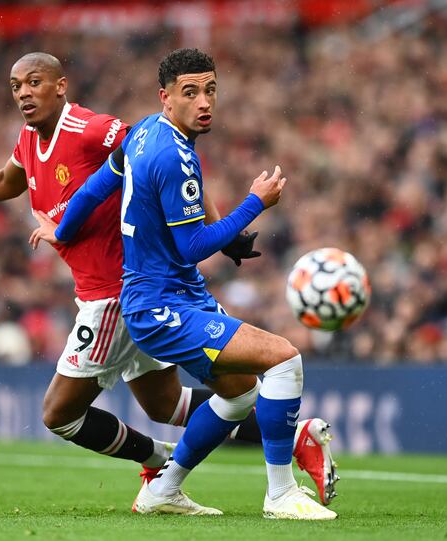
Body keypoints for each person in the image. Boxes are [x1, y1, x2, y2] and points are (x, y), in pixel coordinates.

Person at [0, 52, 270, 486]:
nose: (24, 92)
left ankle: (159, 461)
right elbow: (9, 180)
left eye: (35, 82)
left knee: (59, 414)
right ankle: (292, 432)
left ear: (61, 86)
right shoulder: (29, 138)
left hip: (116, 295)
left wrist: (220, 229)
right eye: (16, 86)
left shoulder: (91, 130)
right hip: (128, 291)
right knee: (166, 406)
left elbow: (164, 155)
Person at [31, 48, 338, 520]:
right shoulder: (172, 155)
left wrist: (64, 229)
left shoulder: (145, 131)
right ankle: (280, 494)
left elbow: (94, 187)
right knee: (284, 360)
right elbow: (193, 246)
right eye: (190, 92)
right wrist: (255, 203)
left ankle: (163, 488)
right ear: (166, 97)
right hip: (159, 305)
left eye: (210, 90)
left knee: (239, 392)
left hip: (174, 295)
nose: (204, 102)